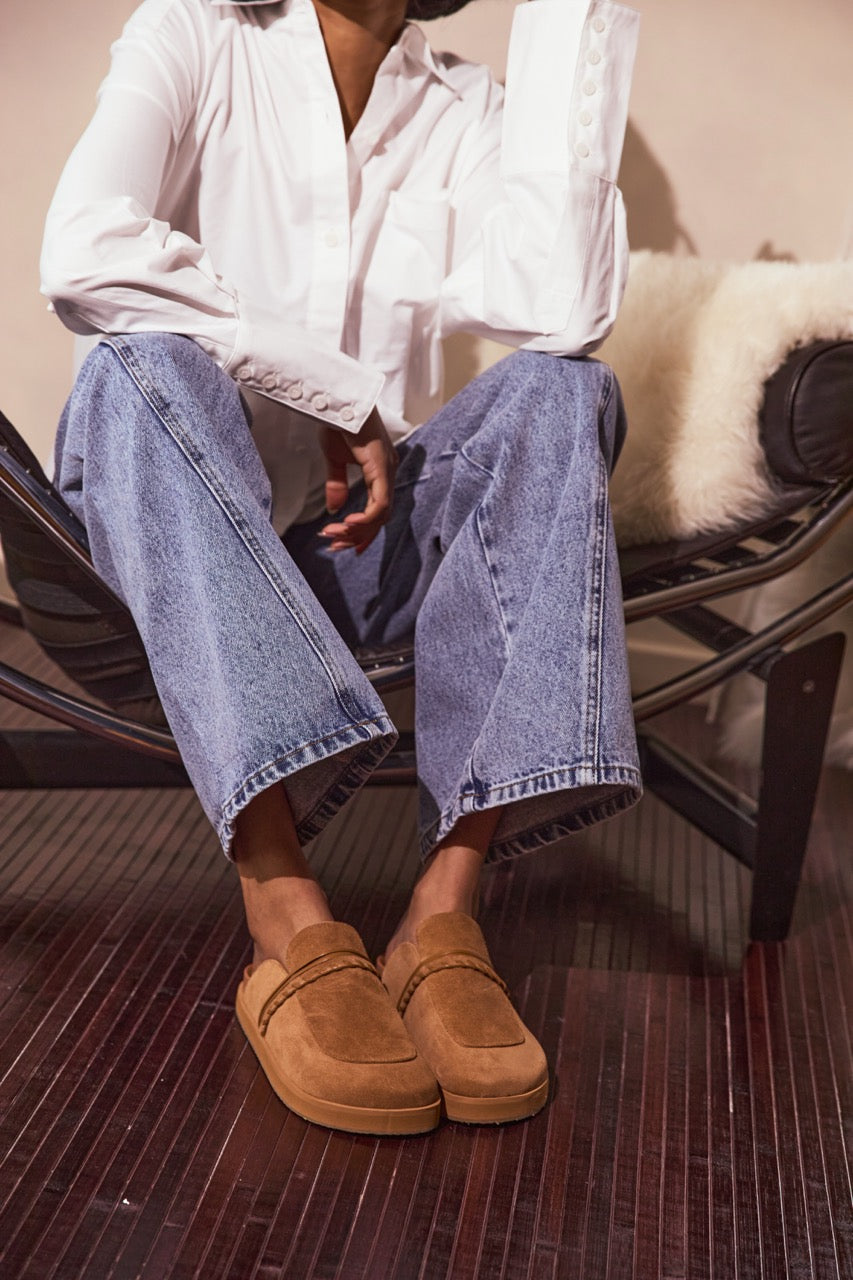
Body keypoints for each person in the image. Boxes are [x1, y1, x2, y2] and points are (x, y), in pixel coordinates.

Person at [41, 0, 642, 1135]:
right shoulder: (192, 34)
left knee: (564, 387)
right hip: (169, 536)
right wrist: (328, 383)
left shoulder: (469, 109)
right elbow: (83, 248)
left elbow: (564, 312)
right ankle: (284, 909)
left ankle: (442, 914)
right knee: (137, 365)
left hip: (354, 554)